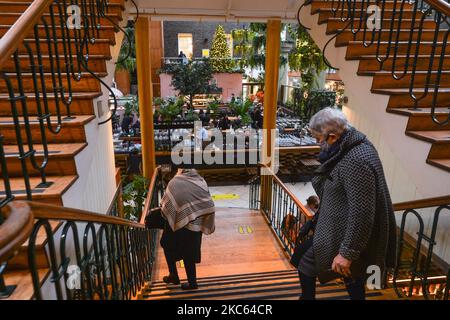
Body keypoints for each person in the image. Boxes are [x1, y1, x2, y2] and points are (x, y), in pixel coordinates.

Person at [296, 107, 397, 300]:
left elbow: (363, 213)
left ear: (332, 137)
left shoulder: (356, 159)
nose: (317, 144)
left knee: (310, 263)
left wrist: (347, 253)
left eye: (319, 139)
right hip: (338, 229)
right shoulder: (351, 148)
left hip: (346, 235)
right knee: (352, 277)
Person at [159, 168, 215, 290]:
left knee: (166, 243)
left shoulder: (174, 182)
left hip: (179, 223)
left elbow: (165, 205)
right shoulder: (200, 180)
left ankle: (174, 275)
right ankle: (191, 282)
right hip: (197, 222)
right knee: (189, 252)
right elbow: (208, 203)